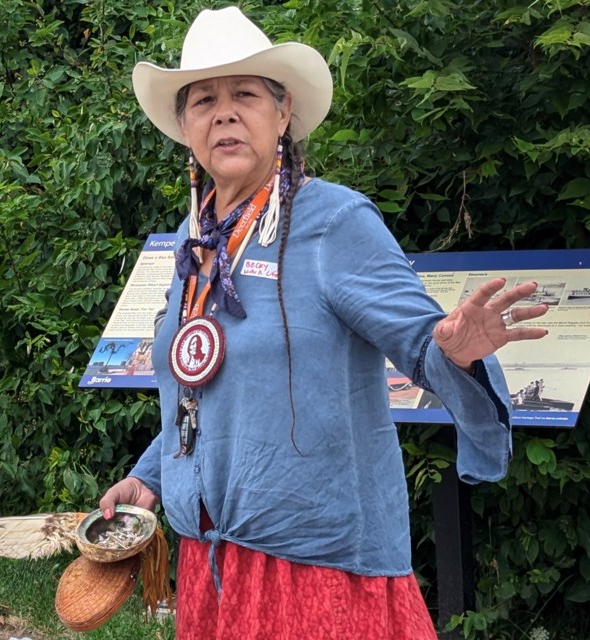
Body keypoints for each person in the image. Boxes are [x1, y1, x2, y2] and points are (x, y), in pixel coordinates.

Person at [99, 7, 548, 639]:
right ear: (184, 125)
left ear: (282, 114)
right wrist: (150, 478)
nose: (224, 113)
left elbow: (424, 343)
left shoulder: (333, 222)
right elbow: (204, 394)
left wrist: (457, 352)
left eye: (245, 94)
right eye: (203, 99)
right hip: (213, 564)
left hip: (320, 572)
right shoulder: (193, 242)